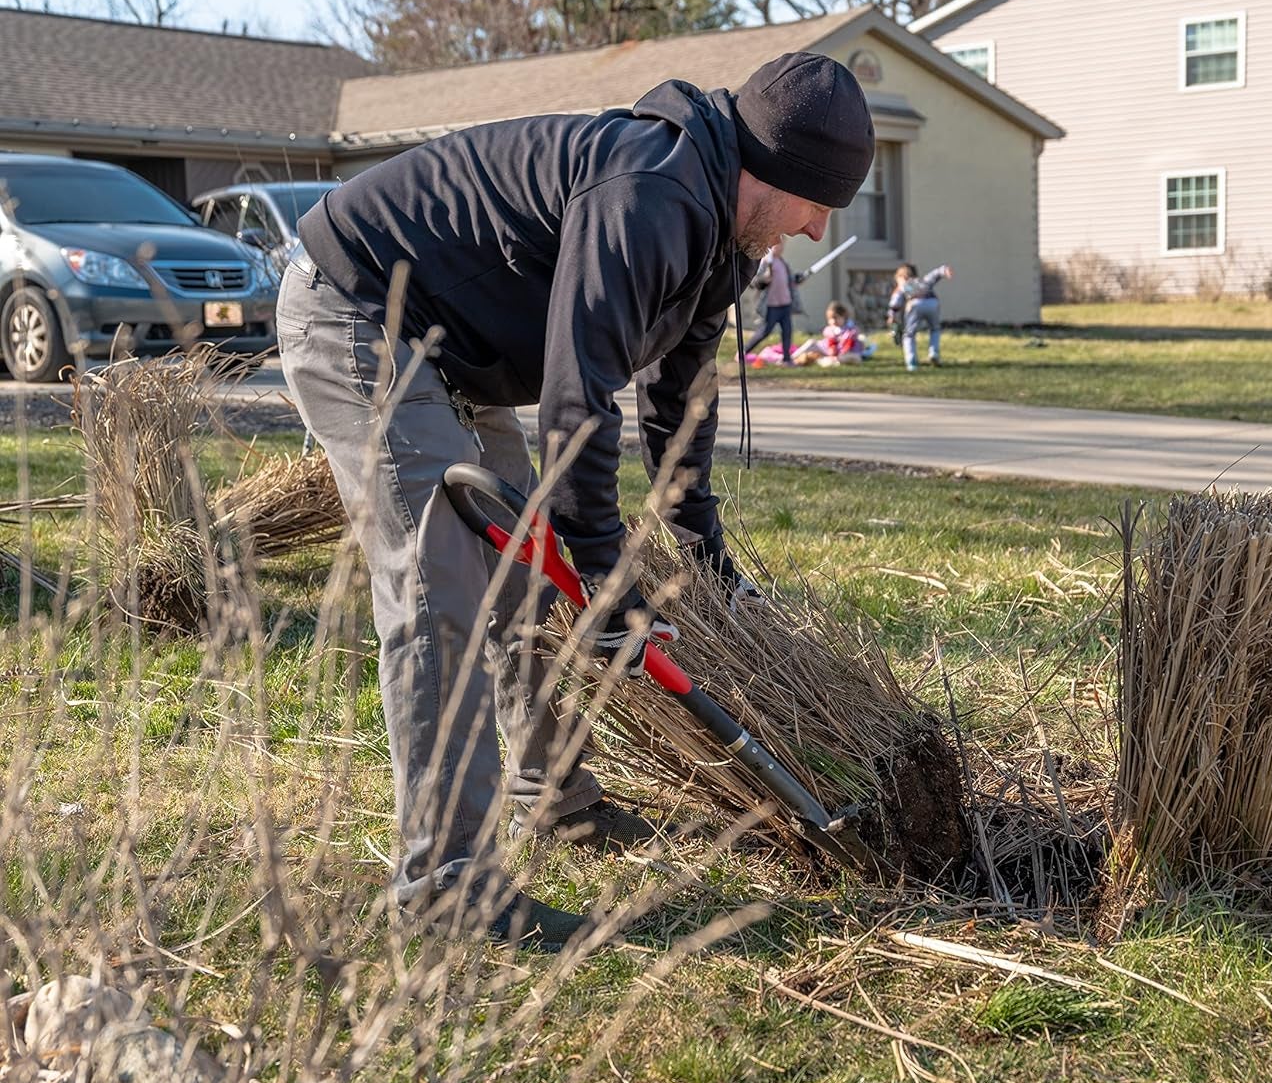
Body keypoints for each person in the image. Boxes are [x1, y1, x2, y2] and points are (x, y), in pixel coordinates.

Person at [277, 52, 874, 950]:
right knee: (443, 588)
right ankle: (448, 890)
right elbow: (577, 395)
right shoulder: (651, 194)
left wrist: (700, 550)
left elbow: (679, 403)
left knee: (526, 579)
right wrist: (602, 569)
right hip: (361, 310)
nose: (820, 225)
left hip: (457, 352)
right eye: (816, 201)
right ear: (771, 172)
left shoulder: (724, 236)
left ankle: (549, 799)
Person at [742, 238, 804, 367]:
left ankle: (786, 359)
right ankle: (744, 351)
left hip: (785, 304)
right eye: (777, 246)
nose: (780, 248)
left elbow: (788, 281)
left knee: (787, 331)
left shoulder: (783, 263)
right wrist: (765, 279)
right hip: (772, 305)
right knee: (765, 331)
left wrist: (796, 279)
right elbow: (755, 282)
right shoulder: (765, 263)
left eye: (782, 246)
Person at [887, 263, 954, 370]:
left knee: (909, 334)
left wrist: (892, 315)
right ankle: (934, 353)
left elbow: (895, 302)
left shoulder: (904, 285)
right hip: (932, 302)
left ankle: (911, 362)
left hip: (915, 304)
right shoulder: (924, 280)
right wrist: (944, 270)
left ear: (903, 277)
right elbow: (935, 274)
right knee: (935, 329)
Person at [793, 301, 872, 365]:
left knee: (855, 358)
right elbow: (828, 341)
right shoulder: (830, 329)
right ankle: (791, 357)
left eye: (836, 318)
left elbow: (850, 341)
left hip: (845, 352)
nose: (833, 321)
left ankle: (831, 361)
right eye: (830, 319)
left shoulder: (850, 329)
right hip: (829, 350)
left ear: (843, 316)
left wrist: (843, 339)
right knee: (811, 342)